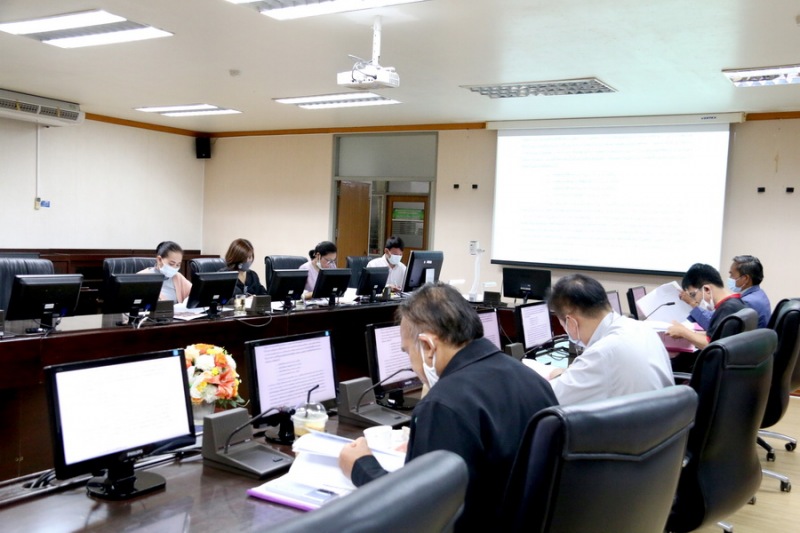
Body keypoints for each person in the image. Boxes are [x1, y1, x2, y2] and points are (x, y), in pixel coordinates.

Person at [338, 282, 557, 531]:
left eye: (408, 352)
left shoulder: (443, 404)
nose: (412, 364)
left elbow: (417, 514)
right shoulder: (532, 378)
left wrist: (361, 466)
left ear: (428, 347)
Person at [546, 273, 674, 405]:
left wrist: (558, 375)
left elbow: (548, 397)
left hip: (634, 417)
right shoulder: (642, 328)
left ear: (571, 322)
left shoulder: (602, 353)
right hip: (664, 413)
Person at [667, 263, 746, 370]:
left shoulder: (726, 309)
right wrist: (688, 332)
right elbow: (717, 335)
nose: (695, 300)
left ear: (707, 289)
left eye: (693, 294)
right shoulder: (736, 303)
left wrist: (683, 332)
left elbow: (710, 345)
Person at [681, 255, 771, 329]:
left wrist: (693, 304)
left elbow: (715, 328)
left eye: (732, 274)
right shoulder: (758, 294)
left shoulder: (747, 302)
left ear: (745, 278)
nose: (729, 278)